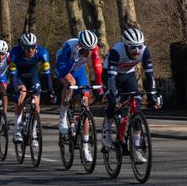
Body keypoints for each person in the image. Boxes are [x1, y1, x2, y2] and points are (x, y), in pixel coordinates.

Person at [102, 28, 160, 163]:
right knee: (112, 101)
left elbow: (150, 74)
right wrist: (115, 96)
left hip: (128, 75)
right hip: (110, 76)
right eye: (133, 47)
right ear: (126, 45)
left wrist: (152, 95)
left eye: (139, 46)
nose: (137, 51)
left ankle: (136, 148)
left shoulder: (144, 51)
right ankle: (106, 131)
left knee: (137, 108)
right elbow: (111, 78)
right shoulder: (116, 51)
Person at [55, 30, 103, 162]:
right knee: (71, 83)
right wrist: (76, 57)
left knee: (85, 104)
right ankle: (63, 115)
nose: (88, 52)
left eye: (91, 50)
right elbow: (64, 69)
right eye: (85, 49)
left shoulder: (94, 48)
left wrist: (100, 89)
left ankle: (85, 146)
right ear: (80, 45)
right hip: (64, 67)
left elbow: (98, 69)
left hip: (79, 70)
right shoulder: (69, 47)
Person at [9, 33, 55, 145]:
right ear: (22, 47)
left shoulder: (42, 53)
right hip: (19, 76)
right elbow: (13, 75)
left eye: (33, 47)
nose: (30, 50)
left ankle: (33, 132)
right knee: (22, 95)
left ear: (36, 45)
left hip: (33, 75)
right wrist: (16, 91)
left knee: (37, 103)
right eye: (27, 48)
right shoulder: (15, 53)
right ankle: (17, 130)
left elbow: (47, 74)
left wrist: (50, 91)